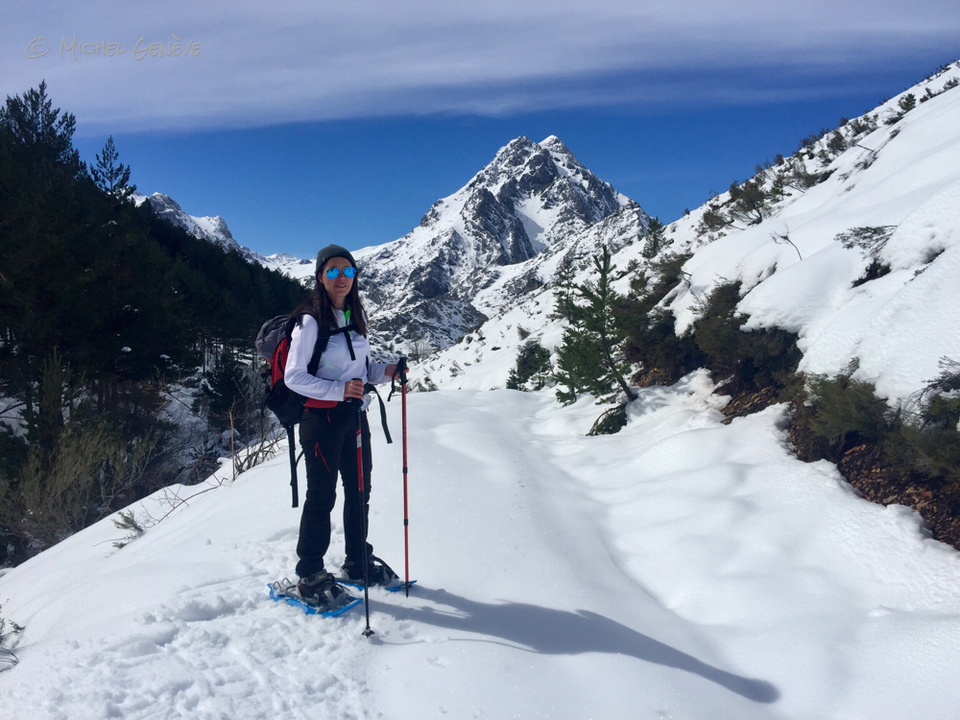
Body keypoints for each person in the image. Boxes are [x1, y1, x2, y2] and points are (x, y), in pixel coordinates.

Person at [283, 244, 400, 608]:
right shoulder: (310, 321)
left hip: (354, 418)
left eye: (348, 272)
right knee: (322, 495)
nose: (341, 278)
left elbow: (360, 373)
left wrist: (387, 372)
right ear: (320, 276)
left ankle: (356, 560)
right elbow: (293, 377)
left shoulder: (354, 317)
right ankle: (309, 574)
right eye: (333, 271)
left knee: (359, 488)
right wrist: (338, 391)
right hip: (321, 420)